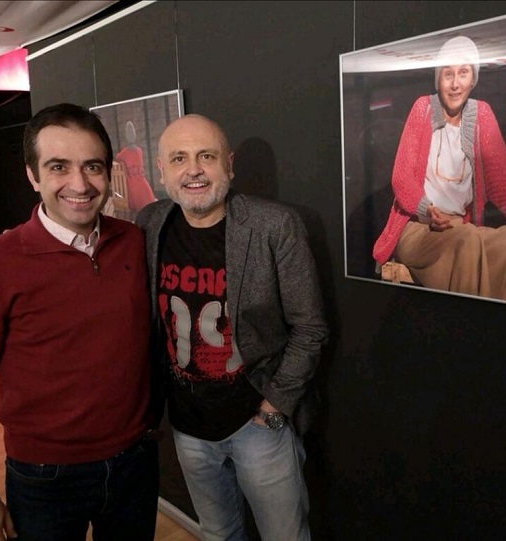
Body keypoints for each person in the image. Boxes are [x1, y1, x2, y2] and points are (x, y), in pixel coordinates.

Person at [0, 103, 160, 541]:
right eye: (59, 167)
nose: (79, 184)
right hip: (45, 479)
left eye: (92, 166)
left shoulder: (133, 242)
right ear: (32, 176)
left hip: (135, 463)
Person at [136, 114, 328, 541]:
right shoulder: (149, 223)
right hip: (187, 427)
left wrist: (273, 408)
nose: (194, 170)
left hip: (257, 425)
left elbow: (310, 327)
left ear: (229, 163)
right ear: (162, 169)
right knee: (219, 534)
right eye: (179, 158)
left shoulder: (273, 226)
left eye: (206, 155)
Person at [372, 36, 506, 307]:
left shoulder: (482, 115)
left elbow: (505, 179)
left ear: (473, 79)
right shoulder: (423, 108)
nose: (455, 83)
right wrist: (426, 209)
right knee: (466, 241)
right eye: (448, 74)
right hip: (419, 230)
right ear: (438, 79)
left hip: (462, 228)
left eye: (463, 73)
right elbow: (402, 178)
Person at [116, 120, 157, 216]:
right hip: (143, 185)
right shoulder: (139, 151)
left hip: (132, 187)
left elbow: (118, 157)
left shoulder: (124, 153)